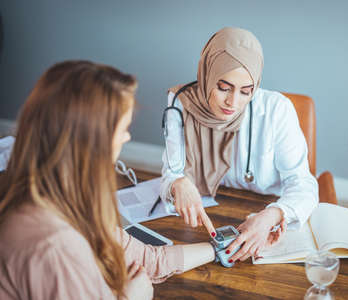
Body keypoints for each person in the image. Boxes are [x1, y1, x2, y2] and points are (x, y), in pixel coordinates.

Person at [0, 60, 215, 300]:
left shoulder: (69, 198)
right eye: (123, 128)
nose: (127, 137)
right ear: (92, 143)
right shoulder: (53, 246)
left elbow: (149, 260)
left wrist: (221, 247)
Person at [161, 27, 319, 263]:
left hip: (262, 214)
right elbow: (170, 175)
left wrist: (271, 216)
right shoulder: (182, 103)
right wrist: (177, 183)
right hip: (207, 219)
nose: (233, 103)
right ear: (207, 75)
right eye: (223, 88)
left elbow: (304, 185)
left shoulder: (277, 110)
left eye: (246, 91)